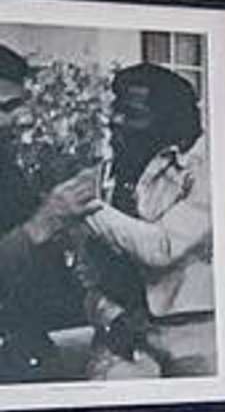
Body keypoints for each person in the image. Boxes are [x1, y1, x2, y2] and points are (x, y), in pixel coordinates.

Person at [73, 60, 217, 379]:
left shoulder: (207, 171)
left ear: (169, 123)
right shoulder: (100, 176)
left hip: (194, 338)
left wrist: (84, 206)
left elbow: (162, 248)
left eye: (133, 114)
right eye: (115, 109)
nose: (115, 121)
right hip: (119, 337)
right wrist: (111, 316)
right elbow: (86, 270)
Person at [0, 42, 102, 383]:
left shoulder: (6, 165)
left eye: (17, 105)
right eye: (4, 107)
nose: (20, 119)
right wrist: (47, 220)